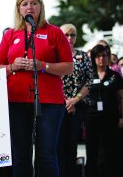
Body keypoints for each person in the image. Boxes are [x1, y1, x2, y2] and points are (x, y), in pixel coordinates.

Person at [0, 0, 73, 177]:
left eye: (34, 3)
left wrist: (43, 65)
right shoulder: (10, 35)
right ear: (19, 9)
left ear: (40, 7)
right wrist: (12, 66)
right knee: (21, 155)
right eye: (25, 4)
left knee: (46, 155)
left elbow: (68, 67)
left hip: (50, 103)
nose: (30, 7)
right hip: (17, 101)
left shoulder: (54, 33)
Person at [58, 24, 93, 177]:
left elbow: (89, 81)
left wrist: (75, 100)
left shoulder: (83, 56)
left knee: (72, 145)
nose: (70, 38)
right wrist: (65, 101)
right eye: (66, 34)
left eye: (73, 35)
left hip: (77, 107)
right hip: (57, 106)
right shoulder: (54, 55)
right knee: (58, 145)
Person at [85, 44, 123, 177]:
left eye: (104, 55)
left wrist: (121, 117)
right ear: (94, 58)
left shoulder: (115, 76)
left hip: (110, 118)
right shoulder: (89, 75)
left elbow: (121, 98)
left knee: (109, 149)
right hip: (92, 118)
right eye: (98, 56)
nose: (102, 58)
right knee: (92, 149)